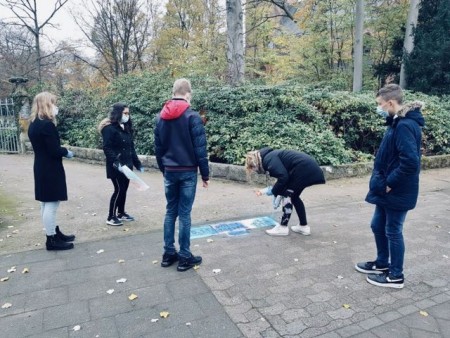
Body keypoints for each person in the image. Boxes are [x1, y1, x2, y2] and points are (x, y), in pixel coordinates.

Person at [355, 84, 425, 289]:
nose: (379, 108)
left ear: (391, 102)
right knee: (377, 226)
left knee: (393, 230)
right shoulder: (397, 122)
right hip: (387, 188)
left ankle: (395, 276)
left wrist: (389, 184)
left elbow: (411, 162)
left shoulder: (404, 125)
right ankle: (382, 263)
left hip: (396, 189)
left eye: (380, 104)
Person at [154, 78, 209, 272]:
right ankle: (185, 256)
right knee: (184, 213)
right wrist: (205, 174)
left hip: (170, 171)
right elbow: (200, 149)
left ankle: (168, 253)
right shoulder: (192, 117)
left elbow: (158, 149)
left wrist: (164, 169)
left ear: (173, 92)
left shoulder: (160, 117)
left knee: (171, 211)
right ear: (187, 94)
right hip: (187, 171)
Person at [28, 92, 75, 251]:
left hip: (41, 166)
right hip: (50, 167)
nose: (56, 106)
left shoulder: (34, 123)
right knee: (52, 203)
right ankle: (51, 239)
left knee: (45, 202)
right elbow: (54, 150)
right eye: (53, 103)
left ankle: (54, 232)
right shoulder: (47, 125)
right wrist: (66, 151)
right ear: (47, 104)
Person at [246, 148, 325, 236]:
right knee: (294, 197)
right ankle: (303, 226)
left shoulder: (268, 160)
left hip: (303, 170)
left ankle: (283, 228)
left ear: (254, 163)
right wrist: (277, 191)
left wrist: (274, 191)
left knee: (287, 195)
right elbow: (284, 176)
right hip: (308, 169)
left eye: (253, 168)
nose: (255, 171)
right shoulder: (269, 157)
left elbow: (283, 177)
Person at [99, 102, 143, 226]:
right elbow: (107, 148)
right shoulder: (109, 129)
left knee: (124, 189)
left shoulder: (126, 128)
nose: (127, 115)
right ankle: (111, 216)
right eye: (125, 113)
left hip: (127, 165)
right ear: (118, 113)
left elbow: (131, 148)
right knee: (118, 189)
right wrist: (116, 162)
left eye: (128, 113)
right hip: (116, 166)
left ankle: (121, 212)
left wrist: (137, 163)